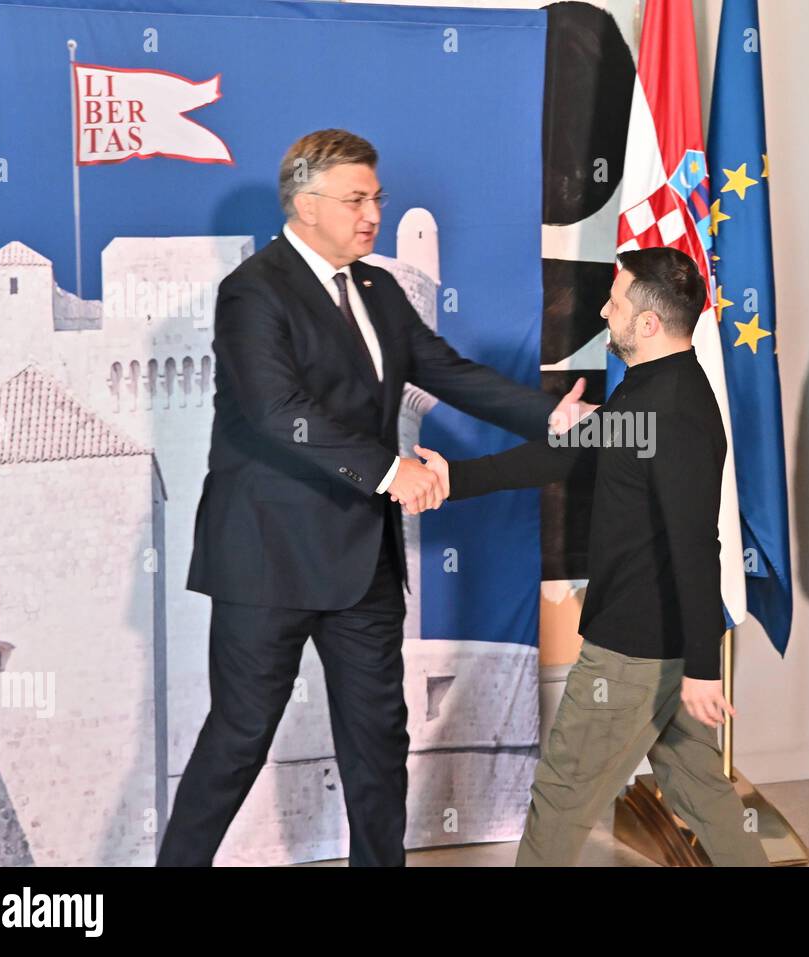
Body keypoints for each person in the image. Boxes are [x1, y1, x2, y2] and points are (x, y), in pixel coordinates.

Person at [157, 129, 594, 866]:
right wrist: (393, 471)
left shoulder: (378, 288)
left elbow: (446, 370)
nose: (372, 214)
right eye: (356, 199)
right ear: (304, 204)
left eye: (377, 199)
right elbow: (278, 411)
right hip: (267, 560)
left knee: (377, 737)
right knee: (239, 736)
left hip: (363, 560)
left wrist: (545, 414)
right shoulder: (253, 291)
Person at [420, 246, 769, 866]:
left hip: (635, 651)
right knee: (700, 788)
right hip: (653, 646)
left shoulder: (673, 410)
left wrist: (701, 668)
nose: (605, 311)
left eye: (616, 301)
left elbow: (696, 545)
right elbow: (560, 455)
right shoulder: (650, 393)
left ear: (648, 324)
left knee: (561, 795)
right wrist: (456, 477)